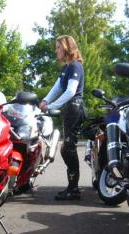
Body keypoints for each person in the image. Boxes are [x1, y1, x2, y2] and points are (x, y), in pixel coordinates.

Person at [39, 35, 86, 201]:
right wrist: (45, 100)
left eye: (58, 47)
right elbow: (57, 87)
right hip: (70, 109)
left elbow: (70, 91)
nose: (56, 50)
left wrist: (51, 106)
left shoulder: (75, 66)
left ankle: (73, 189)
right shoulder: (66, 68)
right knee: (67, 148)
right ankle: (72, 188)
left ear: (66, 48)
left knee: (68, 148)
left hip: (75, 108)